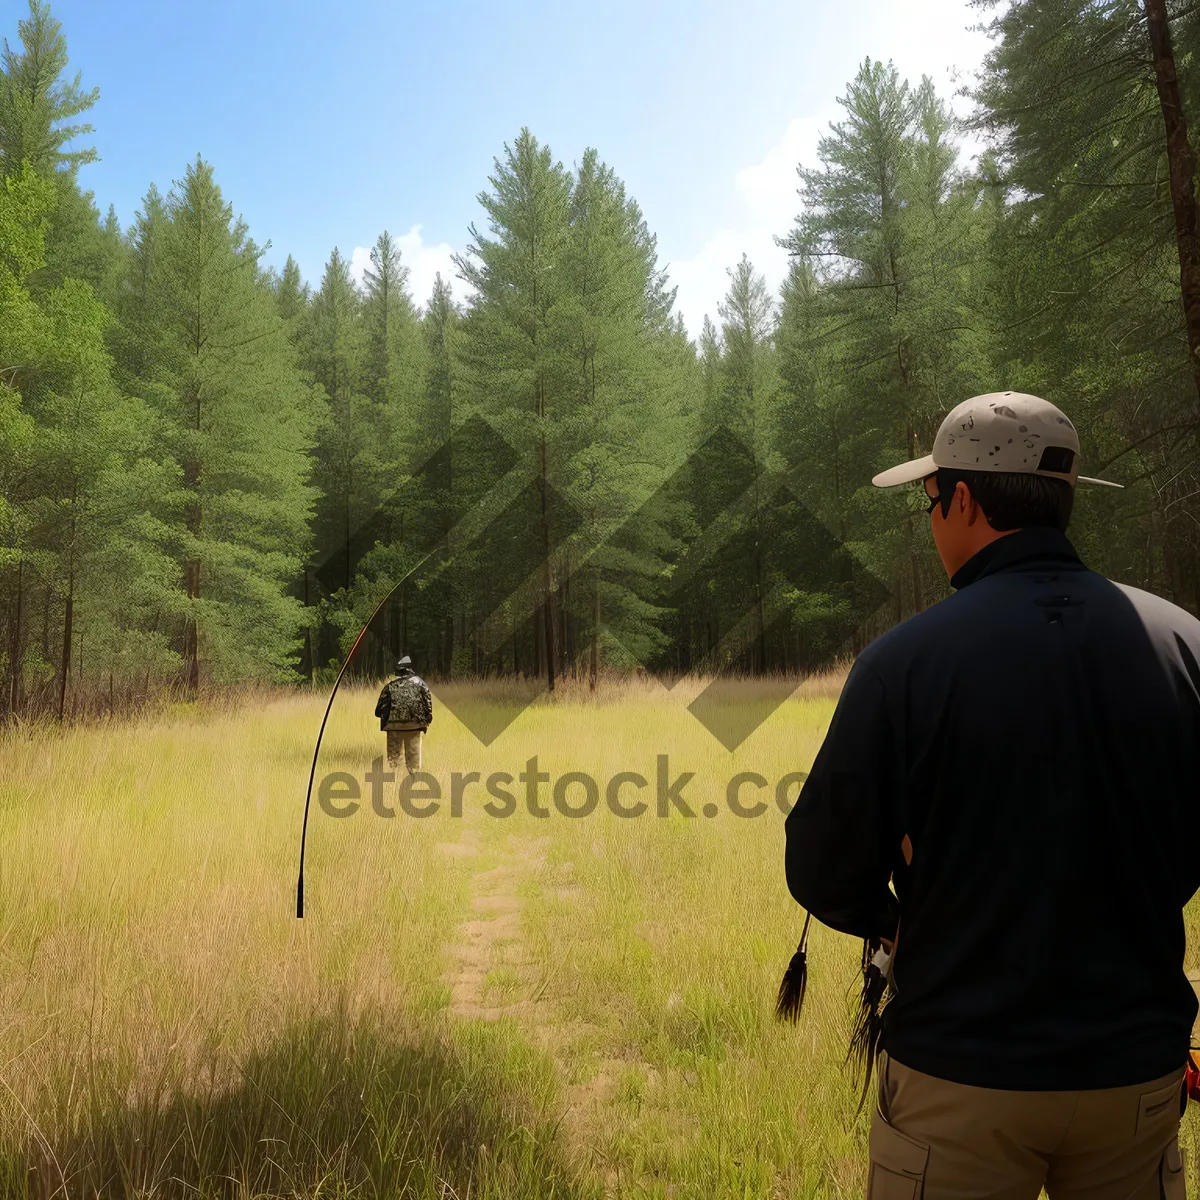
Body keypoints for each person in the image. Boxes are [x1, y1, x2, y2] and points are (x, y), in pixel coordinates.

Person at [783, 391, 1200, 1198]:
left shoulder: (902, 664)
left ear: (964, 499)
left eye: (930, 500)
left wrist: (899, 922)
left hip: (958, 1079)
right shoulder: (1184, 646)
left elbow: (823, 864)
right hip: (1133, 1078)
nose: (932, 518)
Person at [375, 655, 433, 775]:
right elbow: (428, 708)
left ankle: (394, 787)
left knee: (394, 763)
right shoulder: (421, 684)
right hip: (414, 727)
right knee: (414, 765)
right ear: (410, 670)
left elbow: (378, 711)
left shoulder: (389, 686)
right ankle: (413, 786)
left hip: (393, 728)